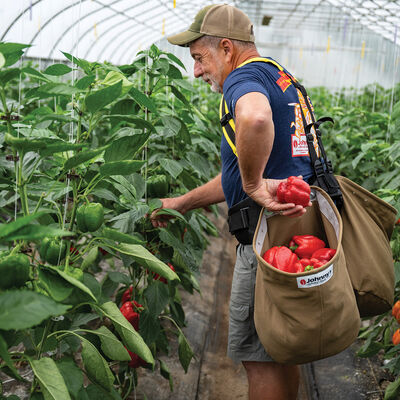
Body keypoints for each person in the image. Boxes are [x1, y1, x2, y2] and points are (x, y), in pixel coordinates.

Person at [151, 4, 316, 400]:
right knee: (282, 349)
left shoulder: (243, 81)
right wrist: (184, 203)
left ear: (227, 48)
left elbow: (255, 121)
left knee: (258, 359)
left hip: (265, 241)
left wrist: (254, 183)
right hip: (294, 231)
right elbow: (244, 172)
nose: (196, 71)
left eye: (199, 58)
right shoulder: (280, 78)